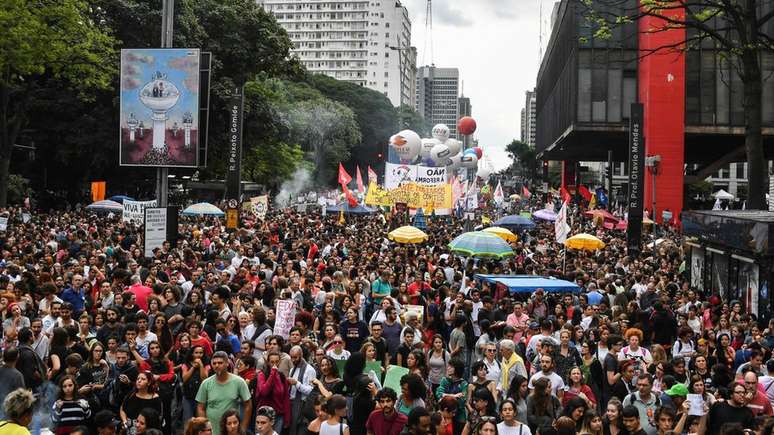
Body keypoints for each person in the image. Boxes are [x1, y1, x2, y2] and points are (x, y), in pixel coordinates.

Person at [195, 351, 252, 435]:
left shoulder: (239, 382)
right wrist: (205, 429)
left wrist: (243, 427)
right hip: (212, 430)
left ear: (227, 363)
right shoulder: (206, 383)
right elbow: (200, 407)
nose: (217, 365)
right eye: (214, 363)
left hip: (232, 430)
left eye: (220, 363)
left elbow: (248, 405)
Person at [120, 371, 163, 435]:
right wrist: (125, 421)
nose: (139, 381)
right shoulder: (132, 394)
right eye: (138, 379)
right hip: (129, 429)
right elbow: (122, 409)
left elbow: (156, 420)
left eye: (143, 379)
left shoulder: (155, 399)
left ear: (149, 382)